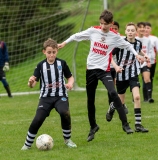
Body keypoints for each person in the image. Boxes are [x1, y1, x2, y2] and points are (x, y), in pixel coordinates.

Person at [58, 10, 144, 142]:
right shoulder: (93, 31)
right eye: (101, 23)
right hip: (91, 70)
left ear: (111, 23)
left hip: (104, 70)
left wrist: (137, 54)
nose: (103, 26)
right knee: (90, 100)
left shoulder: (114, 36)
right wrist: (64, 43)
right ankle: (93, 127)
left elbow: (127, 45)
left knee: (113, 93)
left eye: (105, 24)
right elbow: (76, 36)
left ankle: (125, 124)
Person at [21, 38, 77, 150]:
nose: (51, 55)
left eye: (54, 52)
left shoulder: (62, 63)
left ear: (57, 51)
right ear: (44, 52)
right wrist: (30, 82)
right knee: (38, 119)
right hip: (45, 98)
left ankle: (68, 140)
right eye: (49, 52)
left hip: (60, 96)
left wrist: (70, 84)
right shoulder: (40, 66)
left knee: (64, 112)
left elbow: (70, 77)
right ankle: (27, 144)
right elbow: (32, 84)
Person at [106, 22, 149, 132]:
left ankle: (138, 125)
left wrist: (145, 56)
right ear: (125, 32)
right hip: (121, 74)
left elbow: (138, 51)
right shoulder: (120, 43)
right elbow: (110, 55)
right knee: (120, 102)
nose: (130, 32)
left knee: (137, 97)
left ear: (136, 32)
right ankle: (112, 107)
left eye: (132, 30)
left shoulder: (138, 43)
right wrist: (115, 67)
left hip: (133, 74)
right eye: (128, 30)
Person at [109, 21, 128, 114]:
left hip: (118, 67)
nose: (114, 30)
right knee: (111, 87)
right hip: (108, 66)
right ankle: (112, 104)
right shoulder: (105, 38)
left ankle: (121, 104)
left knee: (118, 85)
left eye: (116, 28)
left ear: (118, 30)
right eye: (112, 28)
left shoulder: (122, 39)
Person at [136, 22, 153, 103]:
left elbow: (149, 51)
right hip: (135, 63)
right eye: (140, 27)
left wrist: (149, 61)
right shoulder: (134, 39)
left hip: (145, 62)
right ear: (137, 29)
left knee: (147, 79)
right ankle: (135, 97)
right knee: (135, 80)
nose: (142, 29)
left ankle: (149, 98)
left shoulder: (147, 40)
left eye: (143, 27)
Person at [144, 22, 158, 102]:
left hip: (152, 62)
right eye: (145, 28)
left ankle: (149, 97)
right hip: (142, 62)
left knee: (150, 79)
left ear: (150, 29)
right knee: (145, 78)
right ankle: (146, 97)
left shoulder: (154, 39)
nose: (146, 30)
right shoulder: (138, 38)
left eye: (148, 28)